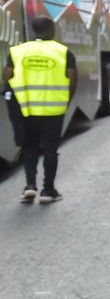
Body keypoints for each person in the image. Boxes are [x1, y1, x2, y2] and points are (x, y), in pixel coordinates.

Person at [4, 15, 76, 203]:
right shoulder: (63, 52)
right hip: (53, 111)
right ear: (51, 29)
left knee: (29, 148)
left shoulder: (18, 51)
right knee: (51, 149)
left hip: (26, 110)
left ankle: (30, 186)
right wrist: (66, 101)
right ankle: (48, 190)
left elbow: (7, 76)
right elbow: (72, 78)